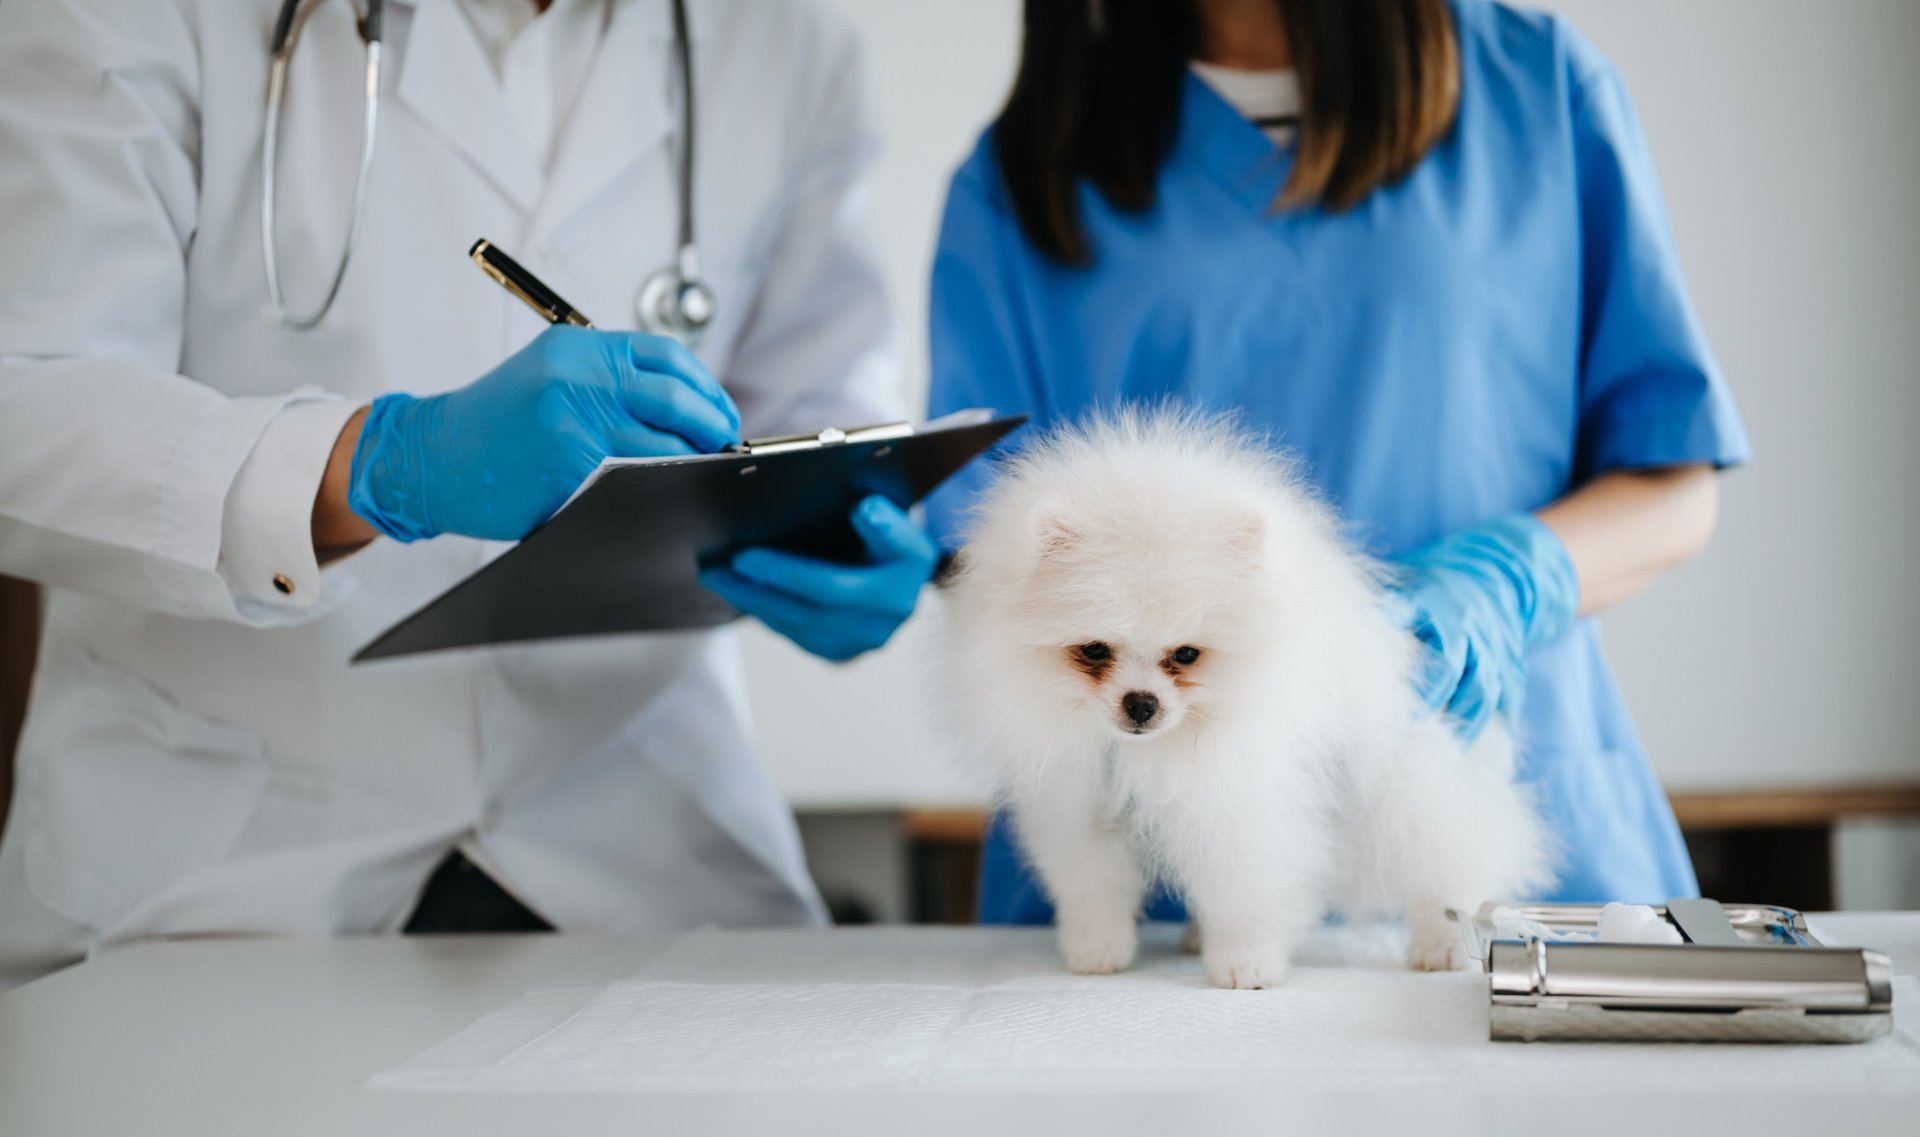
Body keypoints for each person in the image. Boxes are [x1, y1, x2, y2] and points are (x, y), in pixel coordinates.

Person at [0, 0, 937, 987]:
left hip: (647, 840)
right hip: (222, 858)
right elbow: (25, 399)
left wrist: (847, 521)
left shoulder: (785, 40)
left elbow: (818, 399)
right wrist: (381, 463)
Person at [925, 0, 1749, 924]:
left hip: (1487, 791)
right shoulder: (1026, 165)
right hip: (1145, 863)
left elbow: (1673, 480)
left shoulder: (1540, 87)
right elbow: (978, 550)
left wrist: (1511, 578)